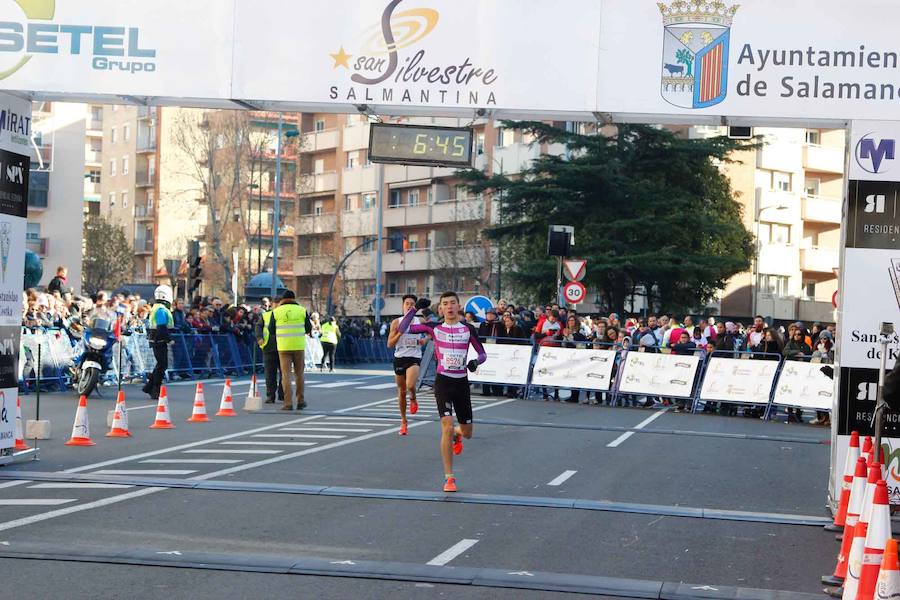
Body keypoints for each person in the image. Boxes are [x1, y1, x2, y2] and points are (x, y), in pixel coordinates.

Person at [397, 292, 487, 493]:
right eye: (445, 304)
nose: (449, 307)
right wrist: (414, 309)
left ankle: (458, 434)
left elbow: (482, 354)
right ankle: (449, 478)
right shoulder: (434, 327)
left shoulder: (468, 329)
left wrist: (475, 362)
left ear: (459, 306)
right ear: (441, 308)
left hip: (461, 384)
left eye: (452, 303)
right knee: (446, 427)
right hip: (443, 383)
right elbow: (403, 329)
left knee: (467, 432)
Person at [387, 294, 425, 436]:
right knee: (402, 391)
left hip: (414, 357)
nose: (409, 305)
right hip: (399, 358)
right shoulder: (396, 322)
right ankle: (403, 421)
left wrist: (424, 340)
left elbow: (430, 333)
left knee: (410, 385)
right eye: (407, 303)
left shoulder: (419, 321)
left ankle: (413, 398)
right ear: (403, 306)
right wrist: (399, 334)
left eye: (412, 303)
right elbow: (390, 344)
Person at [272, 290, 312, 411]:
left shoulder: (276, 311)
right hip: (298, 346)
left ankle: (288, 403)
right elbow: (308, 328)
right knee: (299, 374)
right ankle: (300, 401)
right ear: (294, 298)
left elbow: (271, 329)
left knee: (286, 375)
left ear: (283, 299)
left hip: (283, 347)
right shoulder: (302, 310)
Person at [143, 285, 174, 401]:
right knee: (162, 364)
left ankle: (149, 386)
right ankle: (155, 388)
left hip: (156, 339)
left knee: (161, 364)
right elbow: (161, 327)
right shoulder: (161, 309)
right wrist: (168, 339)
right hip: (159, 340)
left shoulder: (156, 307)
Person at [256, 301, 284, 405]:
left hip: (284, 347)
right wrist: (259, 338)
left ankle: (283, 394)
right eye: (276, 304)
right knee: (270, 373)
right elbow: (258, 326)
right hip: (269, 347)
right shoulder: (266, 315)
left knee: (284, 374)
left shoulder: (285, 314)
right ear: (272, 304)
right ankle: (270, 395)